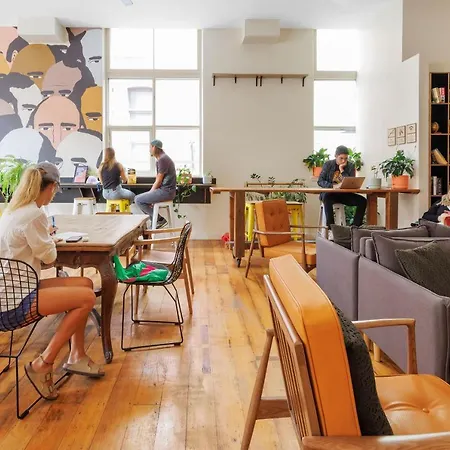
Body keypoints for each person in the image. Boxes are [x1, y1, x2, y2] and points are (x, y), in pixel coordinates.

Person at [0, 162, 104, 401]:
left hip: (10, 291)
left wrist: (45, 238)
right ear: (51, 187)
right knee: (86, 298)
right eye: (54, 190)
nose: (54, 194)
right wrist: (48, 240)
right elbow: (49, 257)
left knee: (85, 285)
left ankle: (77, 355)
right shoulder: (34, 214)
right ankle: (44, 363)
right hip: (14, 303)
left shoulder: (14, 210)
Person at [318, 145, 367, 227]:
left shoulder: (350, 166)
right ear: (336, 156)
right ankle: (331, 227)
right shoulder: (328, 164)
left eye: (346, 158)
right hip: (329, 194)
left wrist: (342, 170)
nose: (344, 161)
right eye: (341, 158)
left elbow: (351, 181)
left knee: (362, 201)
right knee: (327, 198)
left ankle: (355, 227)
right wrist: (332, 186)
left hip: (344, 194)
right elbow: (320, 181)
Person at [135, 139, 176, 228]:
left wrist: (151, 193)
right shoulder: (163, 159)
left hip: (166, 192)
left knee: (138, 200)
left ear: (154, 147)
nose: (149, 150)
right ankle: (156, 221)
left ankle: (159, 220)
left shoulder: (162, 160)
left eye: (150, 147)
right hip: (167, 191)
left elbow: (158, 180)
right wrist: (151, 196)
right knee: (142, 199)